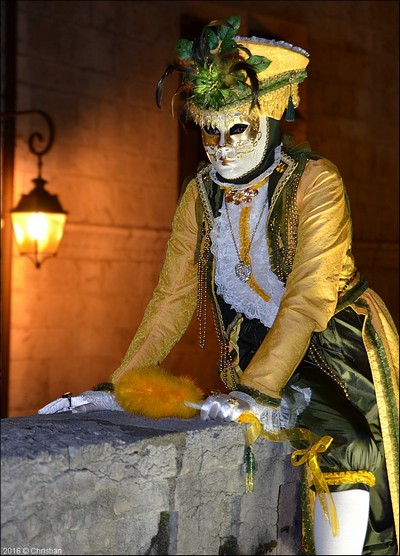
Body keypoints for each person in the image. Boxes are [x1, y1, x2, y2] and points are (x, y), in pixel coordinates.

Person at [39, 16, 398, 556]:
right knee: (326, 440)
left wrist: (257, 392)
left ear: (271, 119)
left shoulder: (316, 182)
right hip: (254, 343)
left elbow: (307, 297)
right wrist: (118, 384)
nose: (221, 148)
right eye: (211, 130)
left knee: (359, 446)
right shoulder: (199, 196)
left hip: (341, 344)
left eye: (239, 130)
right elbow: (173, 297)